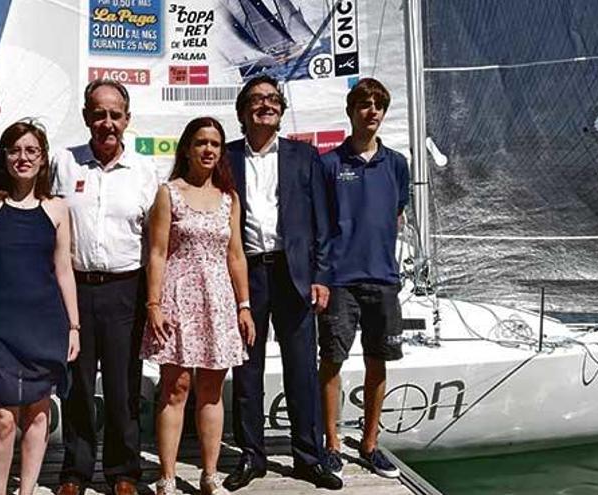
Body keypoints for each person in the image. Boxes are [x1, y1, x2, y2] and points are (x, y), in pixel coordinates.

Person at [223, 75, 342, 491]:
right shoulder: (225, 157)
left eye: (273, 99)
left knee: (301, 371)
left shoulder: (304, 157)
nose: (266, 105)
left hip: (294, 275)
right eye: (256, 100)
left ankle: (308, 457)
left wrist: (322, 277)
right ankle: (252, 457)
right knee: (247, 371)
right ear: (243, 112)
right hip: (245, 275)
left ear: (281, 109)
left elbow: (323, 223)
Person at [0, 120, 80, 494]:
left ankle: (26, 490)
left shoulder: (57, 209)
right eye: (15, 150)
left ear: (43, 160)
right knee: (2, 417)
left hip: (45, 324)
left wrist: (74, 326)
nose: (23, 158)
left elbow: (64, 271)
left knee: (39, 413)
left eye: (31, 151)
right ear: (4, 155)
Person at [53, 79, 160, 495]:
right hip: (75, 289)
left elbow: (156, 242)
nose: (107, 123)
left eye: (115, 114)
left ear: (127, 119)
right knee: (76, 384)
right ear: (86, 117)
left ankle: (123, 471)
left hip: (125, 290)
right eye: (99, 114)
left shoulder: (146, 171)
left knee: (122, 386)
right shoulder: (63, 163)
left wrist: (155, 298)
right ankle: (75, 472)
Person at [141, 117, 255, 495]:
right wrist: (153, 304)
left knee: (211, 389)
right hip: (177, 297)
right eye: (201, 142)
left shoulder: (229, 198)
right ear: (187, 148)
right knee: (176, 388)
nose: (209, 149)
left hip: (219, 301)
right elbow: (157, 253)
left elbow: (236, 255)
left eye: (215, 144)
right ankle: (168, 478)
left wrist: (244, 305)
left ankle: (209, 475)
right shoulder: (168, 193)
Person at [317, 78, 409, 479]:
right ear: (351, 110)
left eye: (378, 105)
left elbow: (396, 208)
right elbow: (319, 223)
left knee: (378, 363)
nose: (372, 111)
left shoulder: (398, 164)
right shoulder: (329, 164)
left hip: (383, 279)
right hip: (339, 280)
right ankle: (332, 444)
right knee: (332, 361)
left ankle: (370, 444)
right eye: (364, 104)